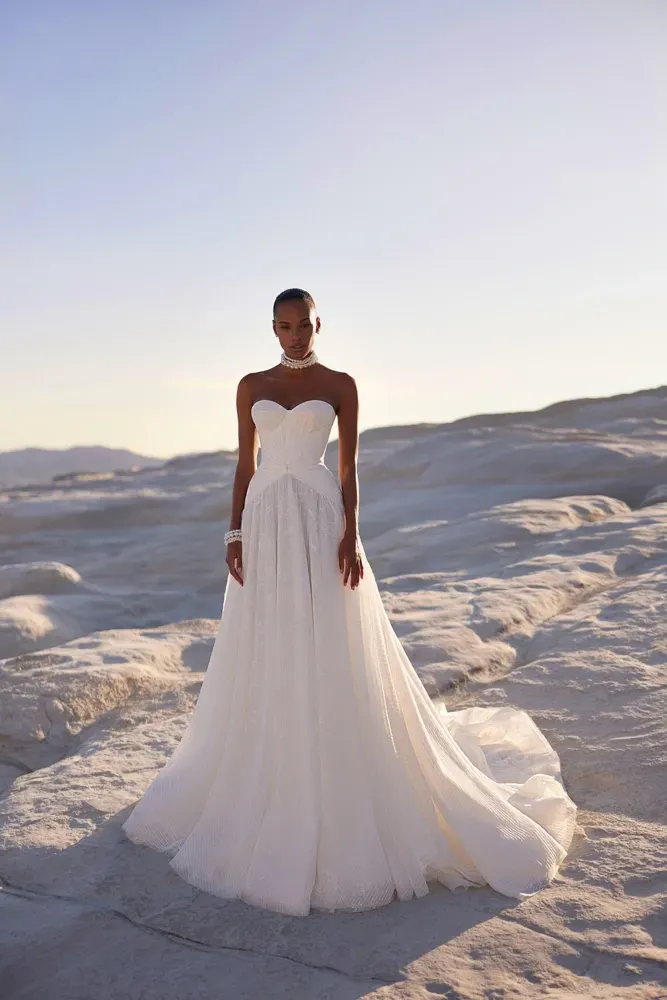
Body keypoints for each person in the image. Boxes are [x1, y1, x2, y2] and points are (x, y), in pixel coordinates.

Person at [122, 287, 577, 917]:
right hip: (263, 520)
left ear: (318, 324)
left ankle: (335, 764)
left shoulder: (340, 384)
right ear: (272, 328)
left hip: (316, 515)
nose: (292, 336)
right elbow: (244, 465)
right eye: (282, 327)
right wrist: (233, 532)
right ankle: (268, 765)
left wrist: (350, 532)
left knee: (327, 634)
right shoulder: (250, 385)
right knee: (266, 639)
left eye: (302, 325)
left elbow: (349, 468)